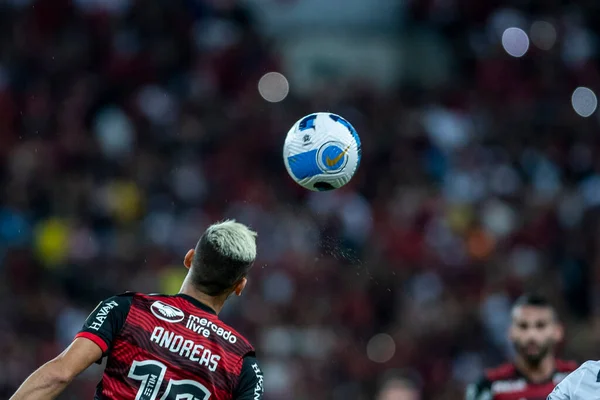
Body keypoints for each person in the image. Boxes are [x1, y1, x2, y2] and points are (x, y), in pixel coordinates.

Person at [10, 220, 264, 400]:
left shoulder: (128, 309)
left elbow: (60, 374)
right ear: (239, 286)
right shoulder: (242, 363)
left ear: (189, 259)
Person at [466, 294, 578, 400]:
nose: (531, 335)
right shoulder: (489, 386)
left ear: (557, 331)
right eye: (523, 326)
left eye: (540, 325)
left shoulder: (576, 379)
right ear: (511, 332)